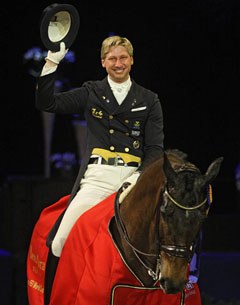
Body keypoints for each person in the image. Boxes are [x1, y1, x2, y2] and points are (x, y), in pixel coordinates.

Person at [36, 35, 164, 259]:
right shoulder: (92, 92)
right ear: (103, 62)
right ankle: (56, 294)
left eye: (123, 57)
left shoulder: (149, 99)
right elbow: (47, 103)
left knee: (163, 238)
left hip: (134, 180)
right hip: (98, 178)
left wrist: (139, 176)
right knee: (59, 242)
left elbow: (155, 148)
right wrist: (52, 63)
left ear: (132, 60)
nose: (118, 63)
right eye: (112, 58)